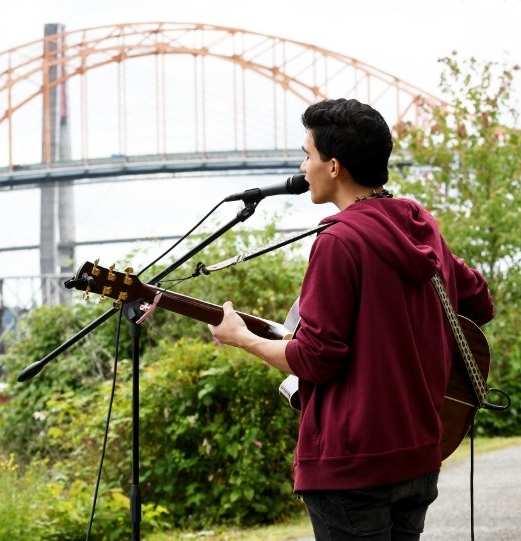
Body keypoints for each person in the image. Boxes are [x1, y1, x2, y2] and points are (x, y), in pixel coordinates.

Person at [209, 98, 495, 540]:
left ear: (335, 166)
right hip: (418, 457)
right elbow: (479, 302)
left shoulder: (338, 242)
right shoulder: (420, 226)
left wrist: (241, 338)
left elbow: (317, 358)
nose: (303, 167)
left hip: (353, 469)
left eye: (307, 155)